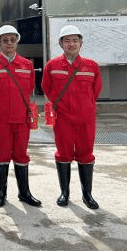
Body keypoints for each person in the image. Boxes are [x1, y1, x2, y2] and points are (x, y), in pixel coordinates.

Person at [42, 24, 102, 210]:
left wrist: (85, 106)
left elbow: (96, 90)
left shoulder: (91, 66)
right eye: (67, 41)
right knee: (63, 154)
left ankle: (87, 195)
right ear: (60, 44)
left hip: (86, 120)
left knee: (86, 154)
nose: (71, 44)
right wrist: (61, 105)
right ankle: (64, 193)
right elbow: (46, 87)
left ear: (81, 43)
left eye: (75, 40)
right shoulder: (52, 66)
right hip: (63, 119)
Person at [0, 25, 41, 207]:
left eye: (12, 40)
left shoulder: (27, 65)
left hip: (22, 119)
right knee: (2, 156)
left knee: (21, 155)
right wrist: (0, 106)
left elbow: (29, 87)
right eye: (5, 40)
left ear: (17, 41)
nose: (9, 43)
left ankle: (24, 193)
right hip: (1, 120)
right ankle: (1, 194)